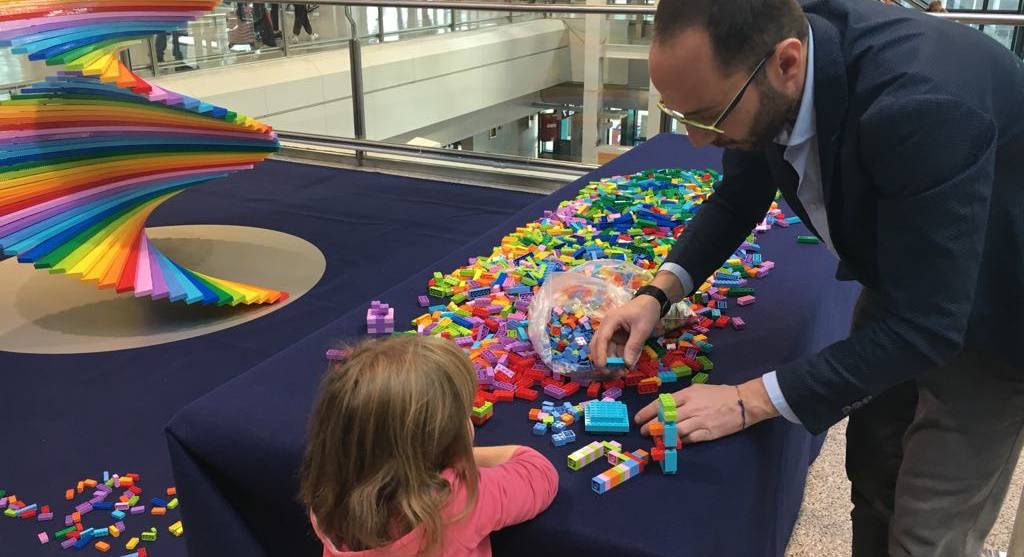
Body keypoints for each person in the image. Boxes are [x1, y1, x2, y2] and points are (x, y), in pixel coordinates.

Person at [589, 1, 1024, 556]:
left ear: (786, 64)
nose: (697, 142)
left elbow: (929, 327)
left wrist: (746, 400)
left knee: (929, 527)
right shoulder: (770, 61)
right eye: (683, 119)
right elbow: (740, 193)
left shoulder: (921, 103)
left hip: (1000, 304)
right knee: (873, 463)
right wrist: (658, 293)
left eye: (708, 116)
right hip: (906, 270)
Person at [299, 335, 558, 557]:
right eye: (463, 416)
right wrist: (463, 457)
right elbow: (540, 473)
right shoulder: (455, 500)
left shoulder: (327, 495)